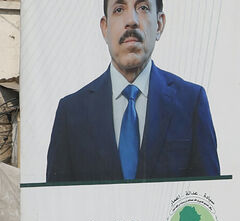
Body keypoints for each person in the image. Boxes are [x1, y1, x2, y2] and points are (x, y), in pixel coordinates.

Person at [47, 0, 219, 183]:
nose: (131, 20)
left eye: (143, 8)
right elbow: (56, 205)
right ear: (105, 28)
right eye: (119, 9)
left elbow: (208, 202)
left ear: (159, 24)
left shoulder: (191, 103)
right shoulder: (71, 112)